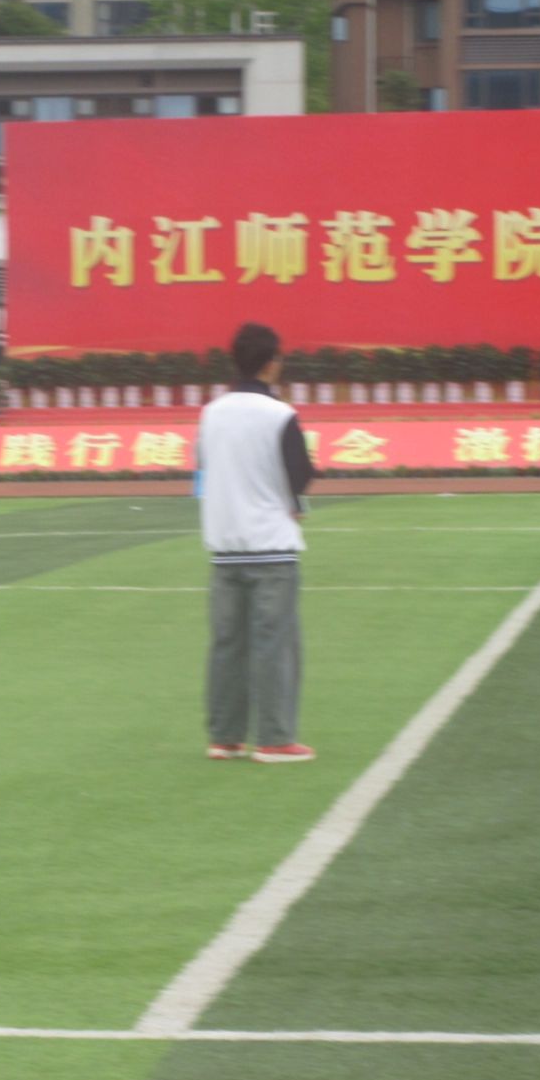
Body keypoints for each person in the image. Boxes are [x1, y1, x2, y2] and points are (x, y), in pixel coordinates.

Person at [199, 322, 315, 765]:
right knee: (274, 643)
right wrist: (294, 503)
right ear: (271, 364)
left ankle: (225, 736)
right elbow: (300, 475)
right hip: (271, 545)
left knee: (226, 645)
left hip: (224, 546)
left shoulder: (211, 412)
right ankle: (274, 737)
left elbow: (206, 464)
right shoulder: (279, 414)